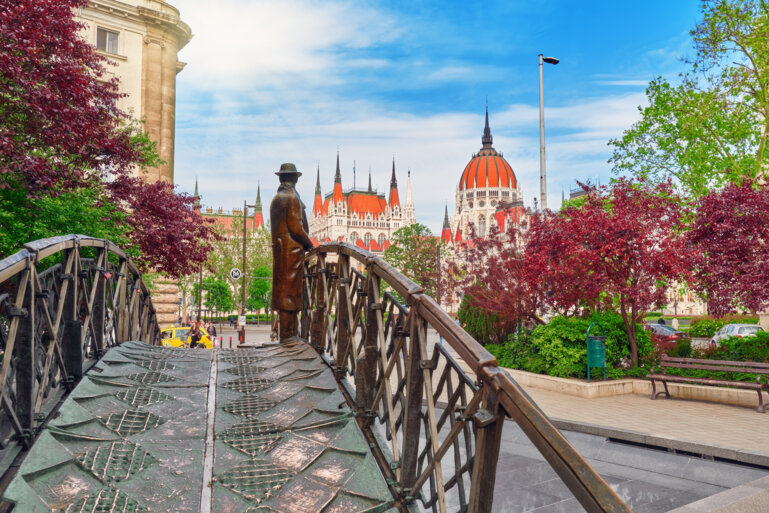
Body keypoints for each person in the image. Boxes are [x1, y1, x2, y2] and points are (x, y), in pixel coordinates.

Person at [270, 163, 314, 342]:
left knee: (285, 294)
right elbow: (296, 228)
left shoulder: (277, 198)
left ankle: (289, 336)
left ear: (281, 178)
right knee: (289, 296)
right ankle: (289, 338)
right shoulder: (291, 198)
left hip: (283, 254)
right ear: (294, 179)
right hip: (292, 253)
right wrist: (310, 245)